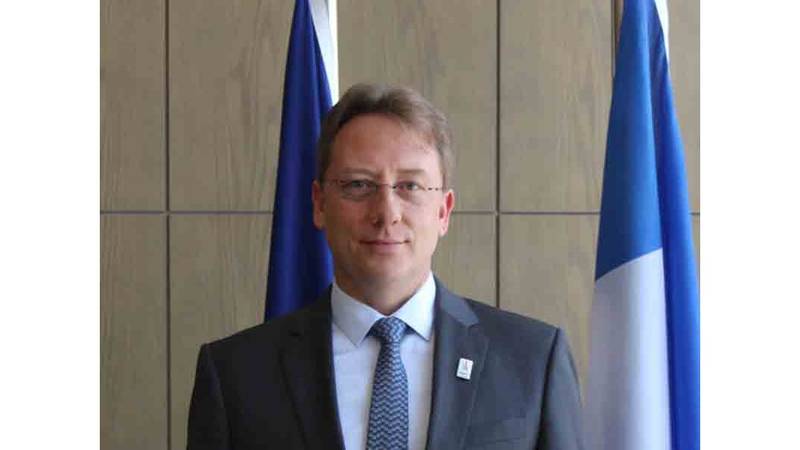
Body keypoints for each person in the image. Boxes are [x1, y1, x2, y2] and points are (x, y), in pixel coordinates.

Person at [187, 84, 585, 450]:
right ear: (320, 204)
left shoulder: (532, 360)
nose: (386, 213)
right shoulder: (235, 374)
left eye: (409, 186)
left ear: (443, 211)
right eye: (359, 185)